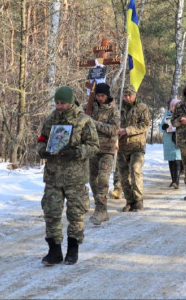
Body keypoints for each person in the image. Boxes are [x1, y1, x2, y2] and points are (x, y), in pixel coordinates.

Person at [37, 86, 99, 265]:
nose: (59, 106)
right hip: (53, 176)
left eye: (62, 103)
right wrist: (44, 151)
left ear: (71, 102)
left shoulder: (84, 121)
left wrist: (76, 152)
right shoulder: (51, 120)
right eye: (57, 102)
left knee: (75, 214)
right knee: (51, 212)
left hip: (75, 177)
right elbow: (41, 140)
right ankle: (54, 251)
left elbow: (94, 146)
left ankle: (73, 249)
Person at [89, 83, 120, 225]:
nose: (100, 98)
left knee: (103, 180)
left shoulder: (113, 111)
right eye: (98, 95)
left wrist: (95, 123)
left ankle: (101, 210)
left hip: (107, 150)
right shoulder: (89, 108)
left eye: (103, 95)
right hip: (92, 149)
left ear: (107, 96)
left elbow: (114, 130)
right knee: (92, 179)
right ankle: (100, 207)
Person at [117, 84, 150, 212]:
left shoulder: (142, 108)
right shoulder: (119, 108)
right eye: (125, 95)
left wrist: (127, 130)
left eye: (130, 95)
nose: (127, 97)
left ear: (135, 95)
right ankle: (129, 200)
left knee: (135, 169)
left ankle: (138, 199)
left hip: (137, 146)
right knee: (123, 175)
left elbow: (145, 124)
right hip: (122, 146)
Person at [159, 98, 183, 189]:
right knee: (171, 161)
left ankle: (176, 181)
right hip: (168, 141)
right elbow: (160, 128)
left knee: (177, 160)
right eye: (172, 106)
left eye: (175, 106)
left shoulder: (182, 115)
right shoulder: (167, 115)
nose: (173, 107)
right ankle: (173, 180)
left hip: (178, 140)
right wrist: (164, 127)